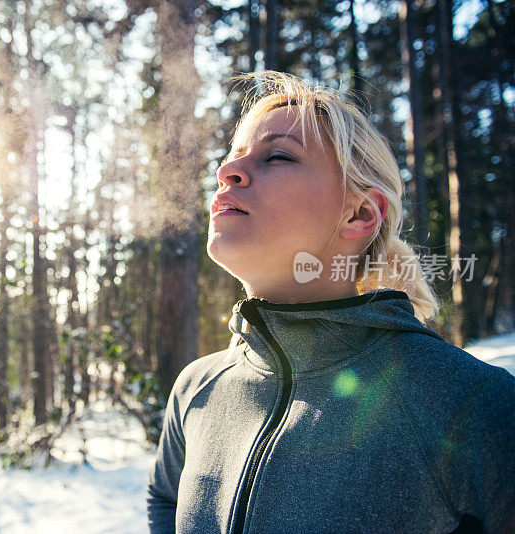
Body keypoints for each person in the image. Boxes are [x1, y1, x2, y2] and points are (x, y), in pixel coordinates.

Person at [146, 71, 515, 533]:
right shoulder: (196, 388)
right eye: (233, 157)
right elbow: (164, 498)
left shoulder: (471, 402)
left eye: (277, 156)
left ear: (359, 214)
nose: (225, 172)